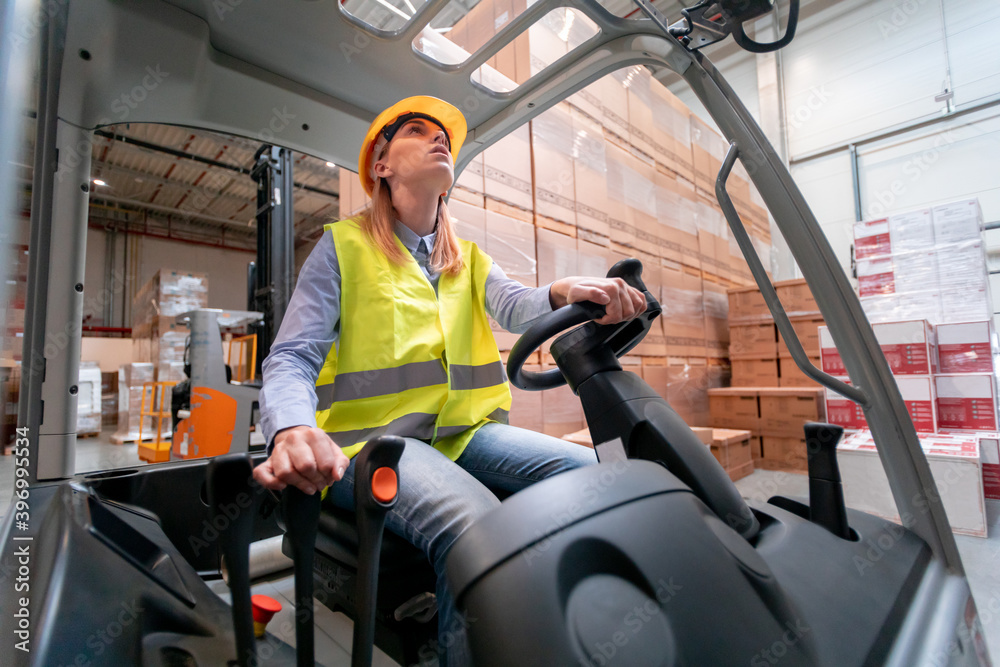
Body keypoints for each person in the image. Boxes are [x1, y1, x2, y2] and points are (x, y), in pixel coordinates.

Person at [252, 96, 646, 665]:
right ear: (381, 166)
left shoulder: (467, 259)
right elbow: (292, 356)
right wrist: (289, 428)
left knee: (595, 478)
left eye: (445, 136)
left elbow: (517, 305)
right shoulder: (344, 246)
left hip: (464, 435)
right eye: (417, 130)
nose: (439, 138)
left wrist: (566, 292)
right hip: (373, 446)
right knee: (477, 530)